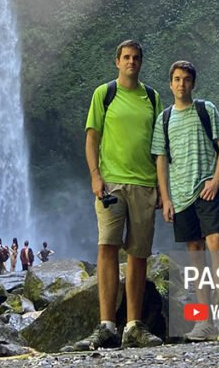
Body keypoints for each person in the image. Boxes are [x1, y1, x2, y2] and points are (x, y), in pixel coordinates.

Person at [67, 40, 163, 351]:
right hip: (111, 185)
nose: (131, 62)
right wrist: (95, 175)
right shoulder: (104, 94)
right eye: (126, 58)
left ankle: (133, 326)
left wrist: (163, 188)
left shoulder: (152, 98)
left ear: (140, 63)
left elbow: (161, 148)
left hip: (145, 184)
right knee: (107, 247)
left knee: (138, 254)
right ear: (117, 62)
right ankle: (106, 324)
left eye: (136, 58)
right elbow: (91, 138)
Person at [152, 60, 219, 341]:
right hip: (180, 196)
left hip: (208, 189)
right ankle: (203, 321)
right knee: (195, 256)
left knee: (216, 245)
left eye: (186, 79)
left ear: (193, 83)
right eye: (177, 79)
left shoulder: (206, 109)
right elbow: (161, 159)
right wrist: (165, 198)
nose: (182, 84)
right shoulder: (164, 119)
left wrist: (216, 179)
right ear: (171, 84)